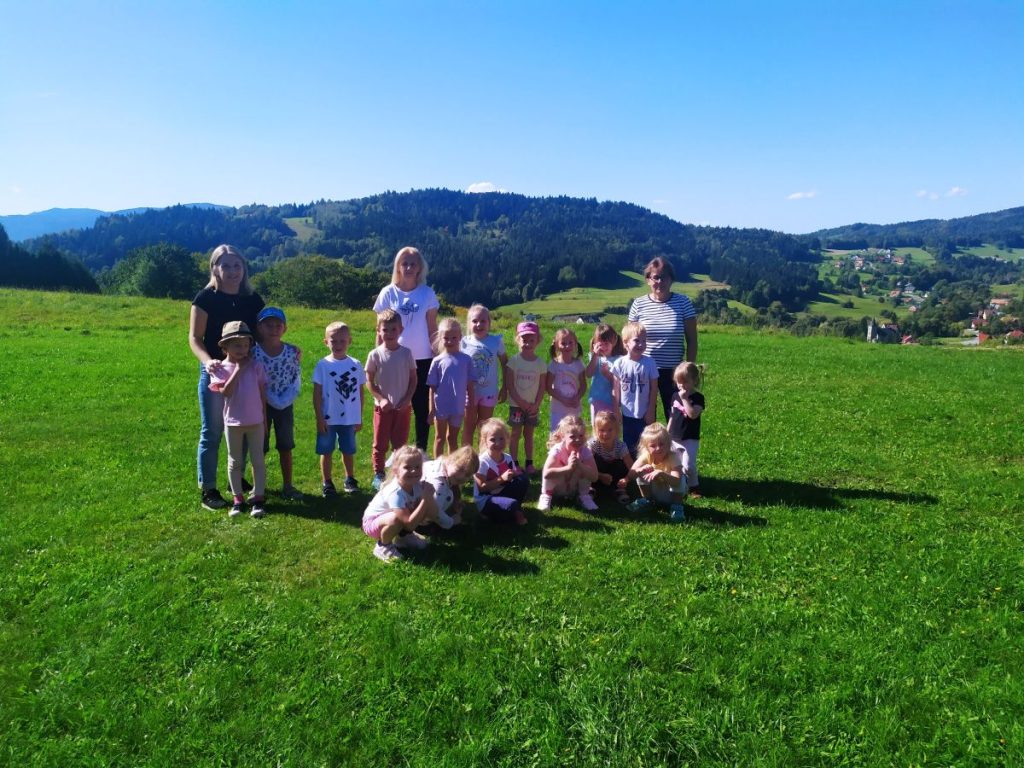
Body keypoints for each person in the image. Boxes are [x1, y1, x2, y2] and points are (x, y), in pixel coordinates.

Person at [189, 244, 264, 511]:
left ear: (244, 268)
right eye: (226, 266)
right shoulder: (205, 298)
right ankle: (208, 488)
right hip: (216, 371)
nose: (232, 271)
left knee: (244, 425)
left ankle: (237, 480)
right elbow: (194, 338)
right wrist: (207, 362)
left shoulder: (253, 299)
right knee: (212, 431)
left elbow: (265, 333)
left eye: (237, 265)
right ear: (215, 269)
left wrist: (287, 350)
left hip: (247, 371)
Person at [372, 246, 439, 451]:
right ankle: (393, 454)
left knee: (421, 408)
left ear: (420, 268)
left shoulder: (427, 293)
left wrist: (438, 356)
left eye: (413, 264)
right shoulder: (387, 293)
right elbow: (379, 330)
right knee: (393, 407)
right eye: (405, 264)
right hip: (394, 359)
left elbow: (432, 328)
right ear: (398, 267)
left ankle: (420, 453)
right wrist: (378, 359)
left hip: (423, 359)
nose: (409, 267)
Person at [206, 321, 268, 518]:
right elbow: (226, 392)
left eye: (246, 345)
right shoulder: (219, 368)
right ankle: (238, 500)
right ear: (225, 347)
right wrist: (239, 369)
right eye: (237, 345)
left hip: (256, 421)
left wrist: (264, 419)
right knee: (235, 461)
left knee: (258, 460)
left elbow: (262, 393)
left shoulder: (256, 366)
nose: (242, 349)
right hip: (233, 422)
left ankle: (258, 499)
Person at [627, 256, 698, 421]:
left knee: (676, 416)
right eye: (656, 277)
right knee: (643, 416)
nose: (660, 281)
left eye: (664, 277)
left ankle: (673, 440)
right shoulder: (638, 304)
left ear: (671, 279)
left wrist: (688, 369)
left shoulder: (683, 303)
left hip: (674, 371)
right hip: (644, 369)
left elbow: (692, 340)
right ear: (648, 280)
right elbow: (629, 338)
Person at [251, 306, 303, 500]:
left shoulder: (291, 351)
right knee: (259, 446)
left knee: (286, 445)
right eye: (268, 325)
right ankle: (258, 487)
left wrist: (285, 398)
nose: (273, 329)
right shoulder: (253, 353)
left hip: (285, 406)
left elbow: (295, 376)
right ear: (260, 328)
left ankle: (288, 485)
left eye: (278, 325)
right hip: (259, 405)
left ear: (284, 328)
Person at [365, 308, 418, 490]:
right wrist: (380, 399)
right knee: (380, 444)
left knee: (400, 445)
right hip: (383, 409)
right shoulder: (375, 354)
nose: (389, 333)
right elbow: (369, 382)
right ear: (378, 331)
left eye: (393, 329)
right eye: (385, 330)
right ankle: (379, 474)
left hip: (403, 408)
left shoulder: (406, 353)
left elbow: (414, 379)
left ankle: (397, 473)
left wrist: (407, 399)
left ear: (400, 330)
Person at [361, 445, 440, 563]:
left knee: (417, 509)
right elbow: (409, 524)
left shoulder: (418, 485)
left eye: (417, 467)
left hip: (396, 518)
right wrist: (425, 499)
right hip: (372, 523)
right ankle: (383, 546)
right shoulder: (395, 492)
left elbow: (433, 514)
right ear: (396, 470)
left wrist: (429, 499)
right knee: (396, 519)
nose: (414, 471)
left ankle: (403, 537)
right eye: (407, 467)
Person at [313, 321, 365, 496]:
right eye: (333, 341)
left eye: (342, 341)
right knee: (326, 451)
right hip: (328, 419)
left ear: (349, 341)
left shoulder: (356, 365)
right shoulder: (323, 365)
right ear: (325, 342)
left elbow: (360, 393)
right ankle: (327, 482)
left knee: (348, 450)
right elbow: (316, 394)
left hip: (349, 419)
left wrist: (358, 417)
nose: (338, 345)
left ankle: (350, 479)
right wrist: (319, 418)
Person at [461, 304, 508, 448]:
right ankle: (467, 456)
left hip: (489, 392)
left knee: (485, 427)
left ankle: (483, 456)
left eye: (483, 321)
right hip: (469, 393)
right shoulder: (463, 342)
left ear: (489, 323)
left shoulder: (496, 342)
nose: (479, 324)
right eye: (475, 321)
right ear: (469, 323)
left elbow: (505, 363)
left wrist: (505, 387)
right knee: (468, 426)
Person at [427, 317, 475, 457]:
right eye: (446, 338)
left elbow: (470, 386)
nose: (450, 341)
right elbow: (432, 387)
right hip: (440, 407)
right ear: (440, 338)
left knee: (452, 438)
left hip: (458, 407)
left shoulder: (466, 360)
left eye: (454, 338)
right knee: (439, 438)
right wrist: (431, 410)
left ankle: (452, 466)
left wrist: (471, 406)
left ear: (460, 337)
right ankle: (437, 466)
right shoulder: (437, 361)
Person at [611, 321, 659, 454]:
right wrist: (616, 410)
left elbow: (654, 389)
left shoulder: (650, 363)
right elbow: (615, 389)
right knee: (629, 444)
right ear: (625, 343)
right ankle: (631, 466)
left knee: (648, 443)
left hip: (645, 413)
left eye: (644, 341)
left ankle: (647, 465)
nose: (641, 344)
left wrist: (651, 410)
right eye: (637, 340)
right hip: (627, 413)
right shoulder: (619, 363)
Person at [506, 321, 547, 474]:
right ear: (518, 339)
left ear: (538, 341)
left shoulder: (540, 363)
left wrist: (536, 404)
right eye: (524, 339)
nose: (528, 343)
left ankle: (529, 463)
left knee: (529, 434)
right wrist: (521, 402)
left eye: (531, 340)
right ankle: (514, 463)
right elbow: (510, 385)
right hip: (516, 406)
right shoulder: (514, 361)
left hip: (532, 407)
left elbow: (542, 386)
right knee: (515, 433)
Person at [625, 423, 686, 521]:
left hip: (670, 495)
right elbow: (631, 475)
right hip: (654, 493)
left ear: (668, 443)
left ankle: (677, 507)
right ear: (646, 448)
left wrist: (661, 473)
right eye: (653, 446)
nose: (658, 448)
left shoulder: (673, 457)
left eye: (661, 444)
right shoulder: (646, 456)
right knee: (641, 472)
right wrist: (640, 469)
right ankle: (647, 500)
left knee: (681, 478)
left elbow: (677, 482)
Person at [473, 417, 529, 526]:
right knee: (511, 505)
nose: (498, 443)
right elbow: (482, 488)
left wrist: (516, 473)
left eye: (501, 439)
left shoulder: (507, 458)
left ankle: (514, 509)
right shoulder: (482, 461)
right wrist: (502, 478)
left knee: (523, 480)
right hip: (487, 499)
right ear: (485, 441)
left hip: (501, 491)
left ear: (507, 439)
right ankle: (488, 513)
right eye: (493, 439)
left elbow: (512, 476)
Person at [538, 414, 599, 512]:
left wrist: (580, 465)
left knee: (585, 469)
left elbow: (595, 477)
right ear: (563, 437)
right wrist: (568, 468)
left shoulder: (585, 451)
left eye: (581, 436)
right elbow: (546, 474)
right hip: (557, 488)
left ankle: (584, 496)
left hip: (573, 488)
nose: (578, 440)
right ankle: (546, 496)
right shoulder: (557, 450)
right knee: (555, 467)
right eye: (572, 437)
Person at [667, 361, 705, 498]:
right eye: (679, 382)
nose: (681, 386)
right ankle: (680, 486)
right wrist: (667, 433)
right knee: (676, 464)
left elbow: (692, 414)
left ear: (694, 381)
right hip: (674, 436)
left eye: (685, 382)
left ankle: (694, 486)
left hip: (690, 437)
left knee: (688, 465)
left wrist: (684, 400)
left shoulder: (698, 398)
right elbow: (672, 416)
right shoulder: (675, 396)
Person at [422, 445, 480, 529]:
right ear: (451, 460)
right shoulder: (439, 484)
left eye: (467, 474)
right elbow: (433, 512)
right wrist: (452, 521)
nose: (461, 476)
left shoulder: (441, 465)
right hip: (420, 518)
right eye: (460, 469)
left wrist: (455, 501)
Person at [587, 409, 634, 505]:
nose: (605, 434)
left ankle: (619, 489)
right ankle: (591, 488)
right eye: (601, 430)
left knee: (620, 464)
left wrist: (626, 479)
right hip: (597, 474)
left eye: (610, 430)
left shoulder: (621, 446)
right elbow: (586, 465)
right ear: (595, 430)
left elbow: (632, 467)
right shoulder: (593, 444)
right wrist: (600, 475)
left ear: (616, 430)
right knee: (593, 460)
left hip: (614, 475)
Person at [546, 327, 587, 432]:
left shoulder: (578, 364)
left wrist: (577, 397)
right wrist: (563, 399)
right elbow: (548, 387)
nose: (567, 346)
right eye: (563, 343)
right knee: (557, 433)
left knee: (574, 432)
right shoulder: (554, 364)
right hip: (558, 408)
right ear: (556, 345)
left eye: (570, 343)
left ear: (575, 344)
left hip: (574, 407)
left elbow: (583, 386)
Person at [584, 323, 625, 425]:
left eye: (606, 343)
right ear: (595, 344)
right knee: (597, 427)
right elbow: (588, 374)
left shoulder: (619, 360)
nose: (603, 347)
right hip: (596, 399)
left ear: (613, 342)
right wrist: (595, 355)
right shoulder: (595, 358)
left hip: (613, 401)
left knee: (612, 428)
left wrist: (608, 374)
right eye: (600, 344)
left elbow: (620, 383)